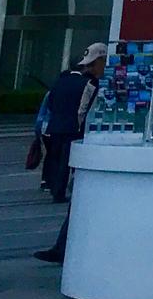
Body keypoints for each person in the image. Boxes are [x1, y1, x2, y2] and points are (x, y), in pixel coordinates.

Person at [33, 42, 107, 263]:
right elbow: (83, 111)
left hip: (55, 129)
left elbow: (51, 102)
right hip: (74, 133)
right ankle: (63, 245)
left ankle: (54, 186)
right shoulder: (90, 84)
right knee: (74, 176)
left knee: (56, 162)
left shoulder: (62, 80)